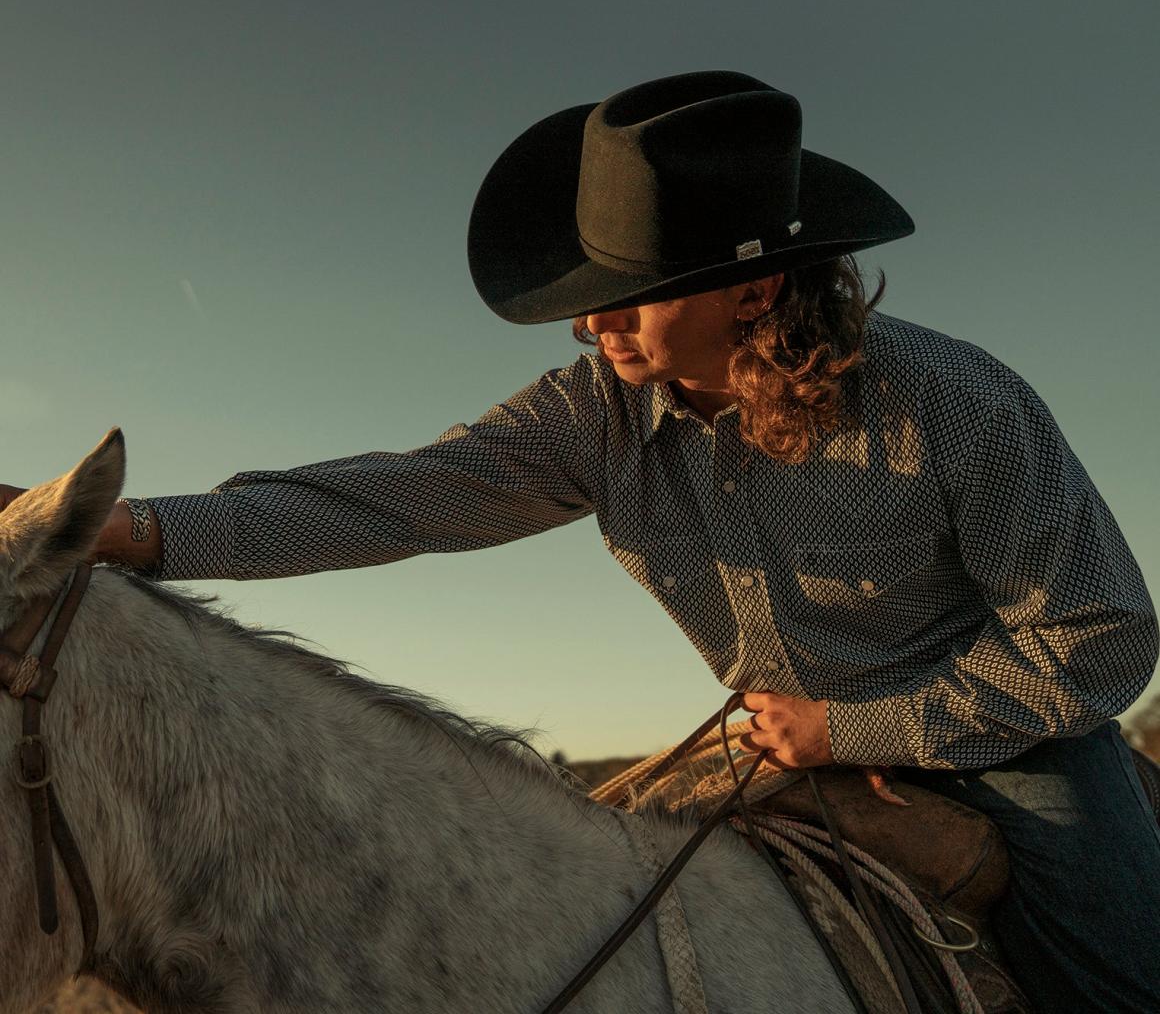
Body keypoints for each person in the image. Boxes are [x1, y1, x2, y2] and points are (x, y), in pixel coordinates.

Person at [5, 71, 1159, 1010]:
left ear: (750, 297)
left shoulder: (955, 403)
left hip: (1005, 741)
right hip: (770, 737)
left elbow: (1098, 642)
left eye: (628, 291)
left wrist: (846, 724)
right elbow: (398, 497)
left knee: (1119, 982)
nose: (585, 320)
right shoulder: (590, 415)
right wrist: (135, 528)